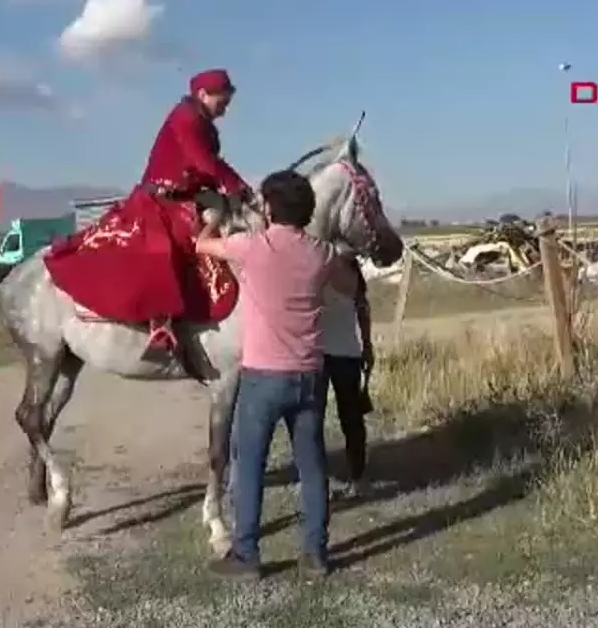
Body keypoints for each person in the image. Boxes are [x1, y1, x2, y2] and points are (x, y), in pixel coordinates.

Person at [195, 170, 359, 580]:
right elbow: (350, 286)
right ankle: (316, 554)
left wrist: (214, 216)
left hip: (263, 377)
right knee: (312, 464)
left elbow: (200, 245)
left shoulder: (249, 248)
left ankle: (247, 554)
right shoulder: (320, 253)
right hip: (309, 375)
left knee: (248, 463)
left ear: (268, 208)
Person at [43, 68, 252, 352]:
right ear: (203, 95)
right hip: (159, 201)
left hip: (187, 198)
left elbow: (208, 165)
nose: (225, 109)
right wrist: (234, 185)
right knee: (162, 250)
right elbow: (204, 162)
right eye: (222, 102)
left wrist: (236, 189)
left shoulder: (202, 123)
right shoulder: (186, 119)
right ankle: (160, 322)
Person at [320, 256, 376, 495]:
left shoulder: (315, 262)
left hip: (319, 353)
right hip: (346, 353)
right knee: (351, 419)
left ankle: (321, 482)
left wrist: (366, 344)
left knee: (313, 420)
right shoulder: (352, 269)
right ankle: (358, 478)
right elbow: (363, 309)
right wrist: (367, 345)